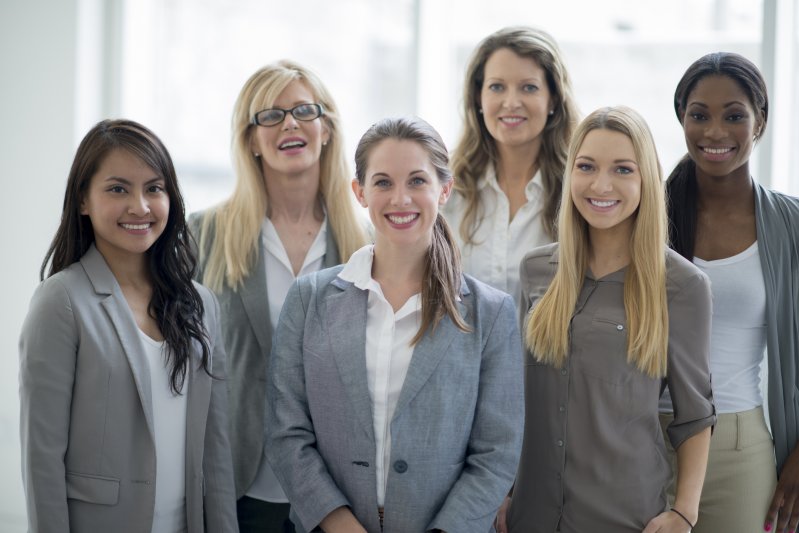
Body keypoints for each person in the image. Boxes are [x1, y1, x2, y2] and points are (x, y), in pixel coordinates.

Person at [264, 117, 524, 533]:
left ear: (444, 189)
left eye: (417, 181)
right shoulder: (309, 298)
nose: (400, 198)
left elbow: (496, 453)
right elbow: (286, 432)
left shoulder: (491, 314)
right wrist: (339, 524)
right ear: (360, 192)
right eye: (383, 182)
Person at [500, 107, 715, 533]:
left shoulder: (682, 286)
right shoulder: (535, 271)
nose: (601, 185)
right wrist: (503, 493)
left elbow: (694, 415)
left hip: (624, 518)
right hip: (530, 514)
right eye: (587, 167)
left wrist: (684, 513)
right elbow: (514, 399)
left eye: (622, 169)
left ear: (645, 181)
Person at [19, 119, 237, 532]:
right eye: (118, 189)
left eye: (154, 188)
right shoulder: (61, 301)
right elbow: (41, 457)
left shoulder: (201, 304)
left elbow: (216, 448)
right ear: (83, 200)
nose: (140, 206)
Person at [188, 60, 369, 532]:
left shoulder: (366, 244)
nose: (289, 123)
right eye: (270, 115)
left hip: (337, 492)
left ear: (326, 129)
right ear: (251, 139)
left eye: (304, 110)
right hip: (238, 484)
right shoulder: (203, 235)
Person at [660, 52, 799, 533]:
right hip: (642, 440)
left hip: (739, 448)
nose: (715, 132)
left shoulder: (792, 226)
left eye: (734, 115)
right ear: (682, 118)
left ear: (759, 122)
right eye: (699, 115)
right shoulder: (645, 217)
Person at [444, 26, 579, 306]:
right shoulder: (445, 185)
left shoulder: (579, 188)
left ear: (553, 98)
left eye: (528, 87)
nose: (511, 102)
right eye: (497, 87)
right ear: (478, 98)